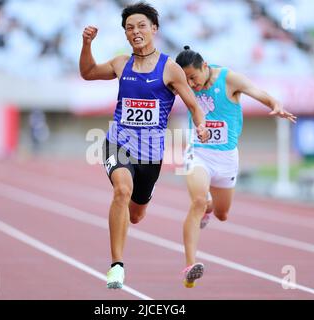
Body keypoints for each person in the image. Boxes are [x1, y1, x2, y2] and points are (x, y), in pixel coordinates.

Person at [79, 2, 209, 289]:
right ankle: (116, 266)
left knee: (136, 215)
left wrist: (200, 124)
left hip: (150, 154)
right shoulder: (120, 63)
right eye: (129, 28)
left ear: (154, 29)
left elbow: (193, 104)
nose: (135, 31)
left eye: (141, 26)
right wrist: (87, 43)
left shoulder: (170, 69)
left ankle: (140, 203)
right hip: (118, 143)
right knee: (121, 190)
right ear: (125, 34)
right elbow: (87, 72)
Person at [176, 46, 297, 288]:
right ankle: (190, 266)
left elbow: (257, 92)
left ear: (205, 66)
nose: (191, 84)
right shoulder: (183, 82)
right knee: (197, 201)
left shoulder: (229, 79)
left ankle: (210, 208)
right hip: (198, 152)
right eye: (186, 79)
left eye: (193, 77)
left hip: (227, 158)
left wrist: (275, 103)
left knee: (222, 214)